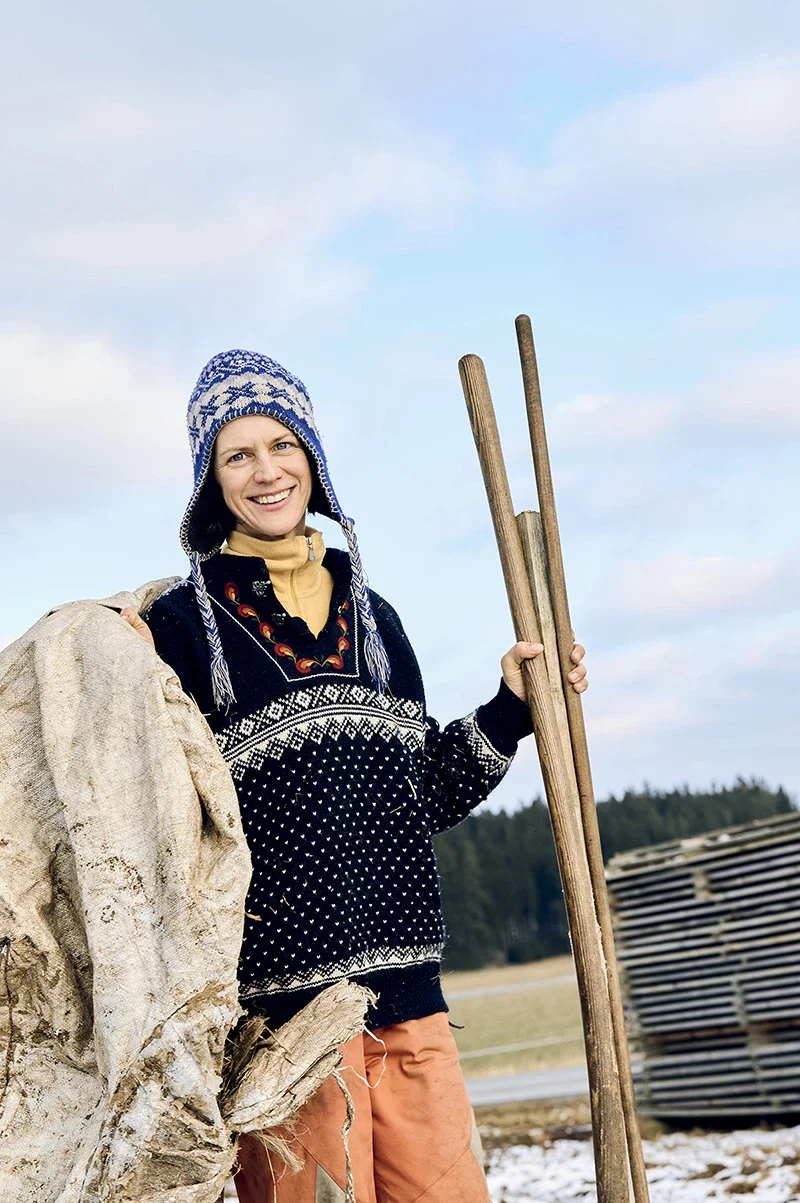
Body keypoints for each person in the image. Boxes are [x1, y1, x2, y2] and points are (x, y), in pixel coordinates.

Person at [124, 349, 588, 1203]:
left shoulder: (375, 616)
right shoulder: (178, 629)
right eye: (238, 453)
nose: (267, 471)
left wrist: (512, 707)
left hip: (410, 1000)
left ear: (313, 457)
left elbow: (423, 794)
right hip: (284, 1028)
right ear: (208, 478)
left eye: (282, 444)